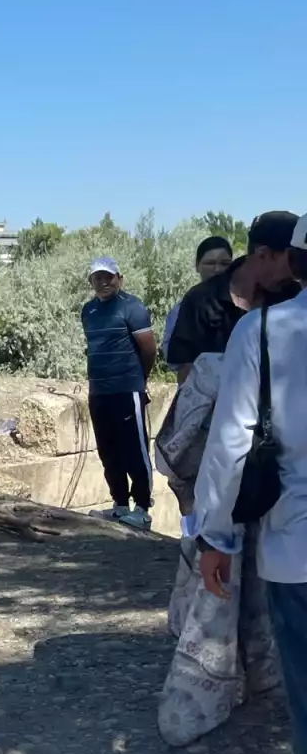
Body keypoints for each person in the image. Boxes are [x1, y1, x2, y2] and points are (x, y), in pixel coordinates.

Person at [194, 213, 307, 754]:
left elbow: (232, 441)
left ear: (294, 261)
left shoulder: (262, 332)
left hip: (296, 553)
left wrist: (215, 535)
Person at [166, 211, 303, 384]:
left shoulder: (294, 297)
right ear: (263, 254)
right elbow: (188, 377)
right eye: (293, 260)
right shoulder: (201, 300)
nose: (296, 271)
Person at [81, 257, 156, 530]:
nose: (103, 282)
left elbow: (149, 349)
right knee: (108, 450)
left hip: (126, 390)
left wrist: (139, 378)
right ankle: (120, 505)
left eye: (108, 277)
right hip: (99, 391)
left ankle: (143, 508)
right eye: (97, 278)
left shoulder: (132, 307)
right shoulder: (88, 311)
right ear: (91, 282)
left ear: (119, 278)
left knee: (135, 450)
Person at [161, 236, 233, 368]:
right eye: (210, 263)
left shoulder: (245, 304)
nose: (217, 269)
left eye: (225, 264)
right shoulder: (183, 308)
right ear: (197, 266)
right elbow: (177, 361)